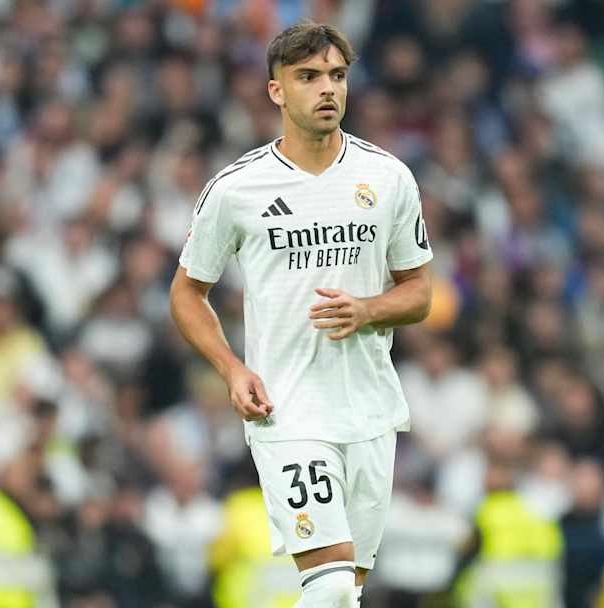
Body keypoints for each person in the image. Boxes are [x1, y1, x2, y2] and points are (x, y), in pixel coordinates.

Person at [169, 20, 433, 608]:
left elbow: (419, 293)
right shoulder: (238, 188)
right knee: (333, 582)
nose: (327, 89)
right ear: (276, 91)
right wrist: (232, 369)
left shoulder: (388, 177)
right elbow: (187, 293)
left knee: (347, 596)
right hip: (287, 410)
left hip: (369, 409)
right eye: (308, 77)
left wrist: (367, 308)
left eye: (337, 76)